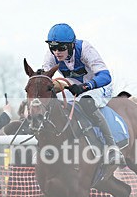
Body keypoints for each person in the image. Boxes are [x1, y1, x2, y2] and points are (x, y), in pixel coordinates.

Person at [42, 23, 121, 163]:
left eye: (61, 48)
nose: (57, 52)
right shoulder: (51, 55)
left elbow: (105, 76)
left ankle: (112, 146)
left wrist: (86, 86)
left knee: (86, 101)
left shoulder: (85, 49)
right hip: (74, 84)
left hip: (98, 85)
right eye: (53, 48)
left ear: (72, 45)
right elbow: (45, 77)